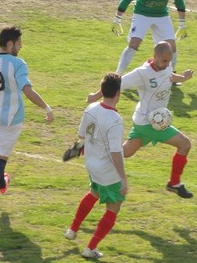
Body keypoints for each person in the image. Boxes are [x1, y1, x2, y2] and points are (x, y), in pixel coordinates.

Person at [87, 41, 194, 198]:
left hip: (143, 121)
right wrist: (96, 95)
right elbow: (117, 83)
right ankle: (174, 183)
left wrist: (182, 78)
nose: (167, 63)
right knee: (185, 144)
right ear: (155, 56)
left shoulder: (166, 65)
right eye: (164, 60)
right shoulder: (142, 73)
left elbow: (169, 76)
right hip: (149, 123)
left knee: (126, 152)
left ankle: (92, 150)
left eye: (169, 60)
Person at [0, 26, 54, 212]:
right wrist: (46, 107)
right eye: (19, 43)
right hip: (11, 118)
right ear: (10, 43)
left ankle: (2, 184)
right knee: (1, 158)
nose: (20, 47)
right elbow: (27, 91)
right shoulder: (18, 64)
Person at [64, 72, 127, 259]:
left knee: (94, 193)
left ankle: (72, 230)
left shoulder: (91, 108)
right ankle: (90, 248)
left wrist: (74, 150)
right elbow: (115, 152)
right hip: (108, 171)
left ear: (102, 90)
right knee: (113, 207)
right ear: (118, 94)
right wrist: (123, 179)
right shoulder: (116, 120)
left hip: (91, 165)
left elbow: (82, 137)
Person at [112, 0, 187, 79]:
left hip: (161, 15)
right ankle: (117, 76)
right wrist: (117, 19)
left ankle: (170, 77)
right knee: (134, 44)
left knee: (171, 47)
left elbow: (179, 1)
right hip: (142, 15)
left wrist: (182, 24)